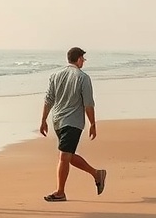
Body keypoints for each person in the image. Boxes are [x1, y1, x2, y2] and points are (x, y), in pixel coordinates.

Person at [39, 46, 106, 202]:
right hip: (73, 122)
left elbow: (48, 99)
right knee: (66, 156)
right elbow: (88, 103)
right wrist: (93, 123)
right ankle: (97, 174)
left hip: (58, 121)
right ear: (79, 59)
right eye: (83, 59)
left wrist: (43, 120)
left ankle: (60, 192)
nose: (84, 62)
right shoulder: (83, 77)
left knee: (64, 155)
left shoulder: (55, 75)